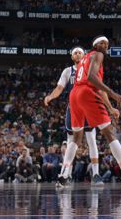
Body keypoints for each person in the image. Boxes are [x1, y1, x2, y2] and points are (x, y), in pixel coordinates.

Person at [58, 36, 121, 186]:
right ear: (95, 45)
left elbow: (94, 85)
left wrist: (110, 107)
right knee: (109, 133)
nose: (105, 45)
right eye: (102, 43)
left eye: (106, 43)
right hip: (86, 92)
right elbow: (93, 80)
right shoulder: (97, 55)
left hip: (74, 95)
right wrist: (112, 93)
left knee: (76, 138)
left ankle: (64, 173)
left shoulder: (83, 59)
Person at [45, 47, 104, 183]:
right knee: (71, 142)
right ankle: (66, 174)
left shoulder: (90, 69)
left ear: (84, 56)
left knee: (91, 141)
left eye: (80, 53)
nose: (78, 54)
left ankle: (96, 174)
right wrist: (51, 96)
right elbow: (59, 88)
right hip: (73, 109)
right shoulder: (67, 71)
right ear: (72, 57)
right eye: (75, 53)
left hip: (88, 108)